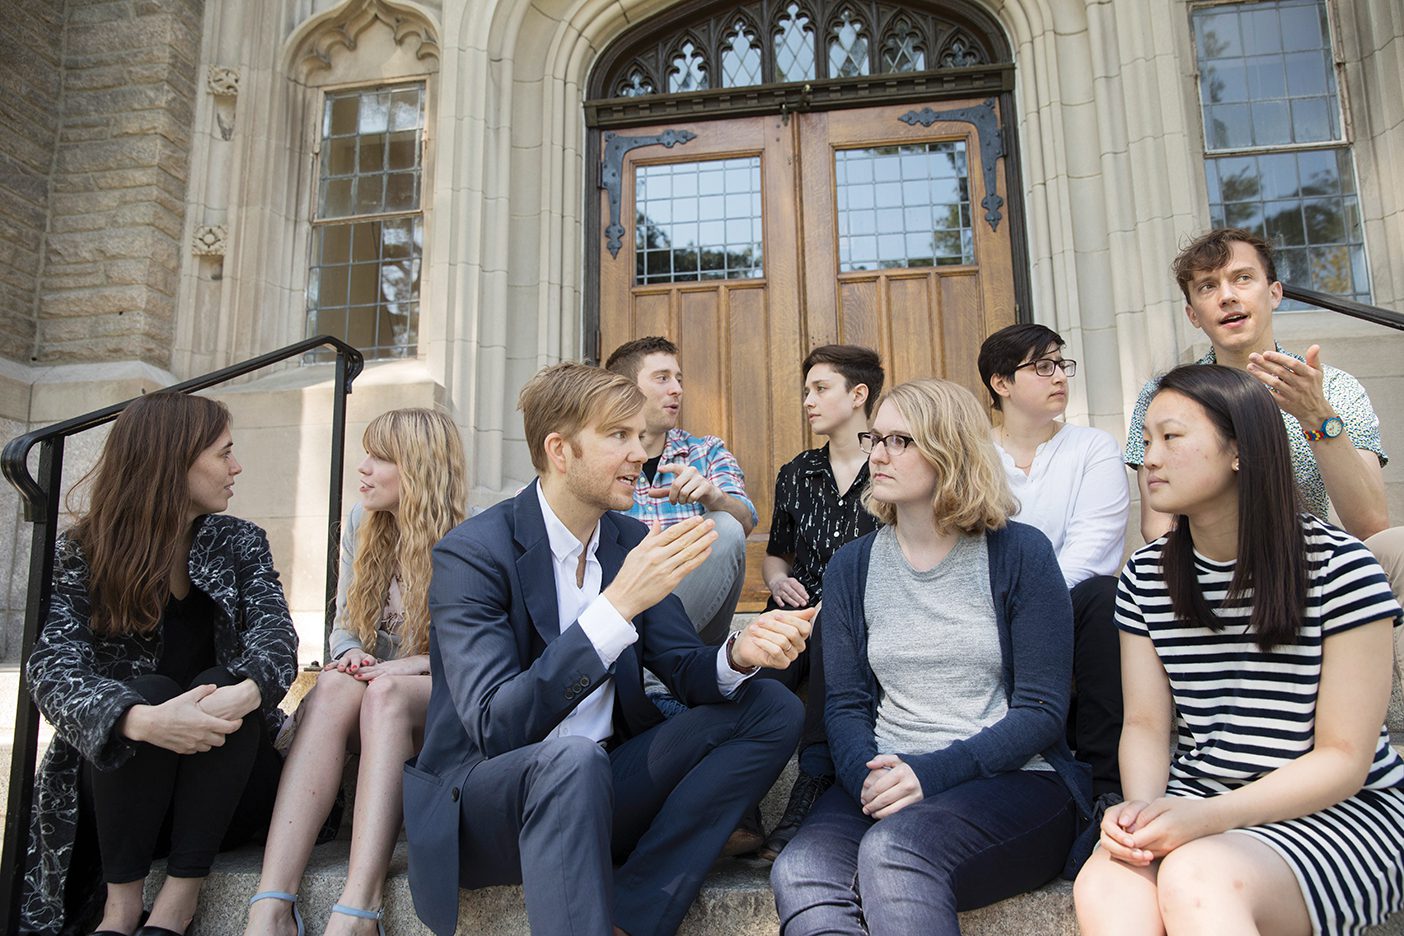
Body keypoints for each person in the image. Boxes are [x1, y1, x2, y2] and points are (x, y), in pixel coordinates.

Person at [402, 362, 814, 936]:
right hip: (486, 805)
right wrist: (615, 609)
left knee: (773, 708)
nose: (640, 452)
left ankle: (634, 909)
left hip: (601, 784)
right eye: (617, 436)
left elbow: (684, 669)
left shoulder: (626, 541)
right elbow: (497, 727)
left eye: (639, 435)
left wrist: (739, 655)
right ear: (560, 450)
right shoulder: (472, 553)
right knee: (572, 760)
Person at [1074, 364, 1404, 936]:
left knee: (1199, 877)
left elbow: (1344, 759)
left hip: (1338, 812)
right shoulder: (1147, 577)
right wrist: (1143, 815)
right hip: (1199, 799)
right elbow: (1149, 726)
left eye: (1171, 438)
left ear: (1239, 451)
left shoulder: (1340, 568)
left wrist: (1205, 819)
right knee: (1105, 884)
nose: (1148, 458)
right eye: (1147, 440)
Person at [771, 378, 1093, 936]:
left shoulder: (1020, 553)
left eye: (901, 441)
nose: (877, 454)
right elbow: (844, 706)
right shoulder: (853, 566)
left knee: (897, 852)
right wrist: (867, 777)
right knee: (801, 868)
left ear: (950, 449)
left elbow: (1041, 712)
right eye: (876, 439)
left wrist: (930, 774)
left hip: (1012, 780)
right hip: (889, 775)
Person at [21, 392, 297, 936]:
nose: (236, 466)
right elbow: (51, 666)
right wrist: (145, 721)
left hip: (228, 788)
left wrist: (244, 694)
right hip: (124, 796)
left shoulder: (240, 542)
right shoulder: (84, 551)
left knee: (224, 683)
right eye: (224, 453)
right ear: (174, 460)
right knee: (143, 691)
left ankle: (177, 904)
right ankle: (120, 911)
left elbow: (277, 638)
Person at [244, 408, 467, 936]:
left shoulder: (474, 533)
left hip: (446, 691)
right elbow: (347, 623)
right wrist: (350, 654)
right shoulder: (362, 522)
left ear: (420, 468)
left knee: (385, 690)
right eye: (365, 453)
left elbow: (486, 651)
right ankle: (271, 902)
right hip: (383, 682)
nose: (363, 468)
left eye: (381, 457)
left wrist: (408, 663)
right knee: (336, 684)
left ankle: (360, 905)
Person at [979, 323, 1130, 797]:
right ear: (1001, 383)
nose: (1060, 376)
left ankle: (1107, 787)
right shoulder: (972, 456)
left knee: (1106, 597)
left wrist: (1031, 609)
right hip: (985, 608)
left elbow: (1095, 548)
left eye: (1062, 364)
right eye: (1042, 367)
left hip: (1067, 608)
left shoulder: (1093, 448)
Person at [758, 344, 884, 861]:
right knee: (758, 664)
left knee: (835, 627)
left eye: (821, 388)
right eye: (806, 390)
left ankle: (812, 782)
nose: (808, 400)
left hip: (864, 608)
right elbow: (775, 556)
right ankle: (741, 801)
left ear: (859, 395)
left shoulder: (892, 460)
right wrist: (778, 582)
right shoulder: (797, 472)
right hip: (798, 605)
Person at [603, 336, 756, 647]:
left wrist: (714, 498)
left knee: (726, 525)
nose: (677, 388)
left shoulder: (707, 452)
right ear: (625, 387)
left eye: (678, 378)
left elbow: (745, 522)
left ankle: (650, 671)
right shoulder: (599, 457)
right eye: (662, 378)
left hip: (692, 618)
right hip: (620, 612)